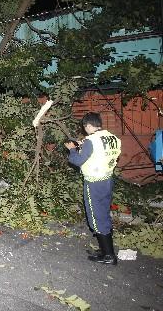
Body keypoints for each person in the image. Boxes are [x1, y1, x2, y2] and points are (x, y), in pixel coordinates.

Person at [65, 112, 121, 265]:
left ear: (89, 126)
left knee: (96, 217)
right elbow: (104, 153)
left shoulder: (91, 141)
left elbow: (77, 161)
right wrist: (84, 145)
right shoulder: (112, 138)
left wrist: (72, 149)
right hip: (107, 180)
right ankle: (106, 250)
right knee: (103, 214)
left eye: (85, 128)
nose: (85, 131)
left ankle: (109, 256)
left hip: (94, 184)